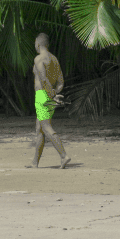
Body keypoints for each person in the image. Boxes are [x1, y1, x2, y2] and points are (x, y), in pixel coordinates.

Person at [27, 33, 72, 169]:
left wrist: (50, 95)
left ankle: (64, 155)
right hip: (49, 95)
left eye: (35, 42)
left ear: (38, 43)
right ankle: (35, 162)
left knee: (46, 127)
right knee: (39, 129)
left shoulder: (38, 58)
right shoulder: (54, 59)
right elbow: (60, 82)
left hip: (42, 96)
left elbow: (42, 78)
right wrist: (55, 93)